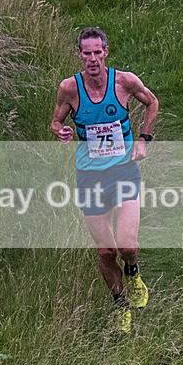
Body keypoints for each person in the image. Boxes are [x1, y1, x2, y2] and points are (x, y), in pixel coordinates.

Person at [50, 27, 159, 333]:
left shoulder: (124, 81)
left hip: (123, 171)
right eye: (87, 53)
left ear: (106, 53)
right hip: (89, 177)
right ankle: (120, 304)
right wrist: (61, 132)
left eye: (98, 52)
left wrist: (143, 140)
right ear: (79, 55)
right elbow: (56, 120)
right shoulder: (69, 88)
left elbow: (152, 102)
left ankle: (133, 273)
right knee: (104, 250)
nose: (93, 59)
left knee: (126, 245)